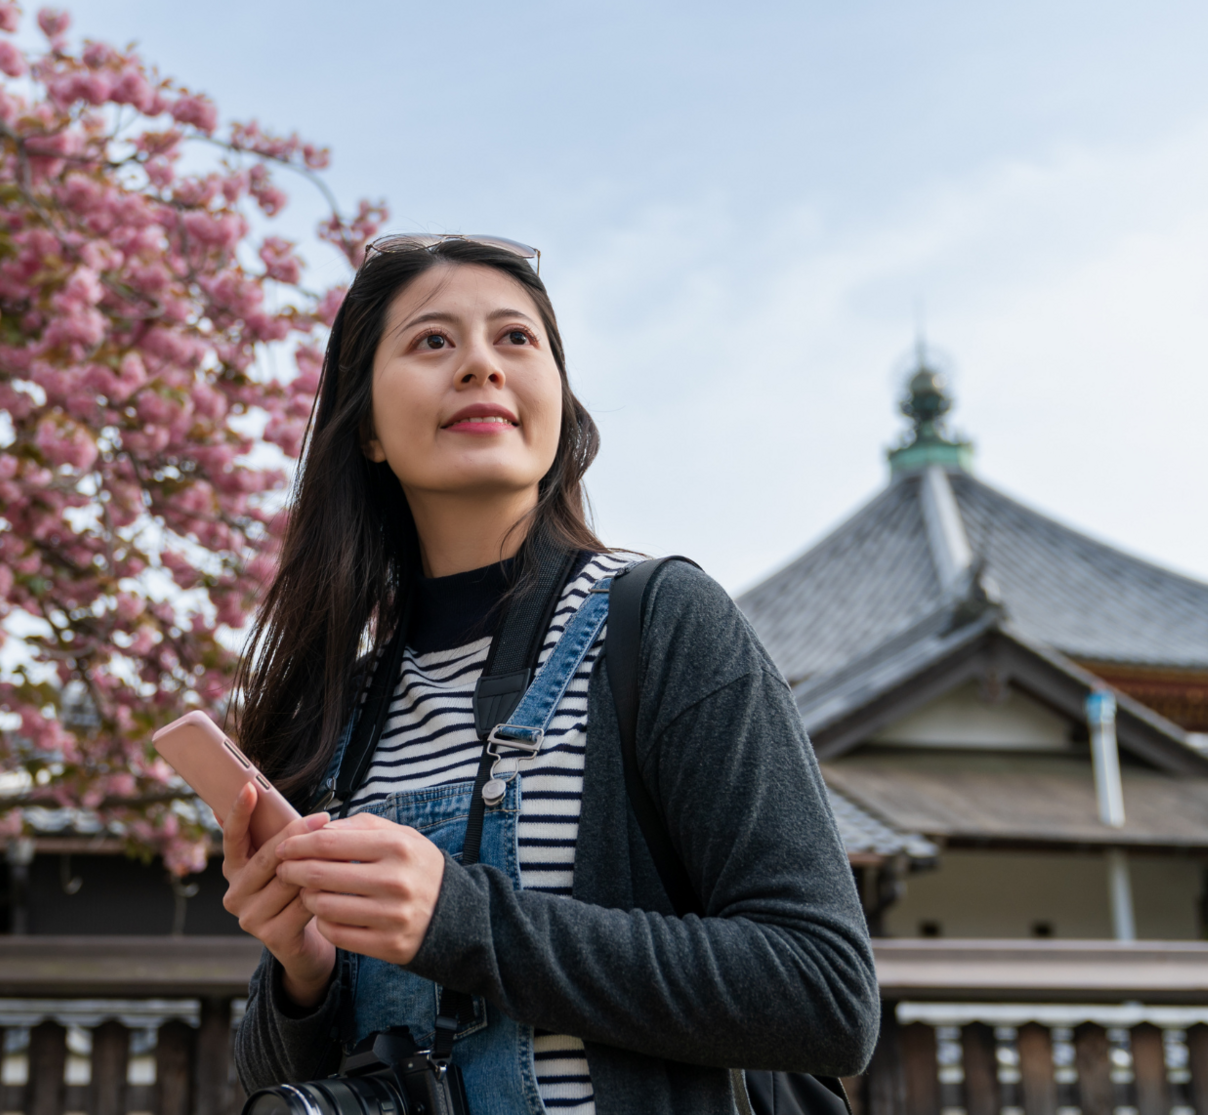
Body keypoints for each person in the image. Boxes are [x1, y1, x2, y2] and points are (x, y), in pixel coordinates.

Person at [221, 235, 878, 1115]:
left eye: (516, 339)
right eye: (433, 341)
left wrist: (461, 919)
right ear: (368, 428)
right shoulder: (342, 709)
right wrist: (303, 973)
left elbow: (826, 992)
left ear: (559, 405)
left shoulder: (660, 622)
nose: (482, 366)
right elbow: (273, 1077)